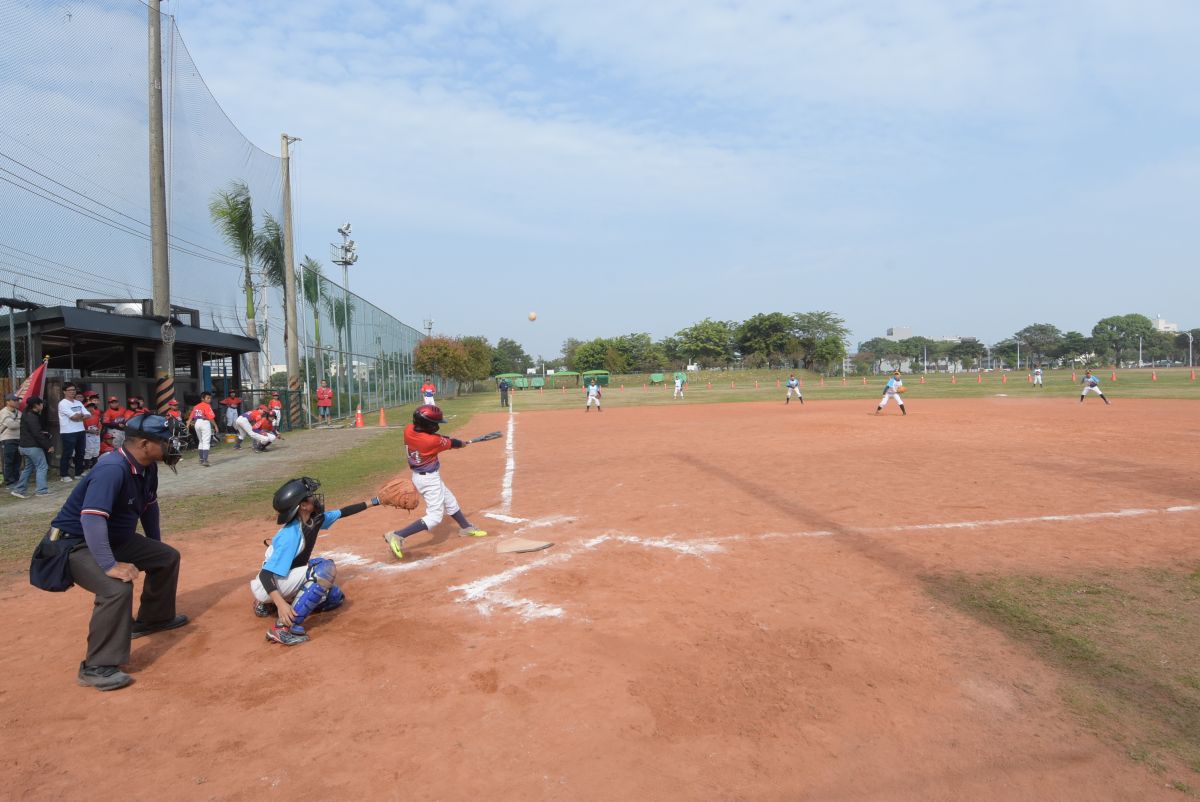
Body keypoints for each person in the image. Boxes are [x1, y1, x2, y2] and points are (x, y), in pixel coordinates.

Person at [48, 413, 189, 691]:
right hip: (74, 544)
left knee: (166, 556)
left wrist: (155, 545)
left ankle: (152, 619)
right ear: (145, 444)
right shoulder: (113, 468)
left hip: (114, 539)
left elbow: (149, 508)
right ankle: (96, 667)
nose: (174, 446)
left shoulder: (147, 467)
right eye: (167, 441)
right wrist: (108, 564)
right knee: (116, 587)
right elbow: (91, 518)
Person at [252, 477, 382, 645]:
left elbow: (344, 512)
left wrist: (376, 501)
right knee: (324, 570)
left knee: (334, 597)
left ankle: (270, 605)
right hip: (269, 585)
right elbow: (266, 574)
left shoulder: (314, 520)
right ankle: (282, 628)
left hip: (283, 580)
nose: (315, 498)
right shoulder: (290, 535)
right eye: (310, 496)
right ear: (303, 506)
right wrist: (281, 604)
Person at [382, 404, 487, 560]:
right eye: (435, 424)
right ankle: (397, 535)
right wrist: (462, 443)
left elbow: (443, 439)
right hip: (429, 480)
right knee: (435, 517)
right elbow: (450, 442)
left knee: (449, 501)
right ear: (428, 425)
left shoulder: (409, 429)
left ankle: (466, 527)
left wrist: (455, 442)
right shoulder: (432, 441)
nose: (437, 426)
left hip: (420, 476)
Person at [10, 396, 53, 498]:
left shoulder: (27, 413)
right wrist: (48, 445)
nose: (42, 405)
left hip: (24, 446)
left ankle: (19, 489)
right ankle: (41, 490)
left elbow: (34, 431)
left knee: (29, 468)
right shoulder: (32, 416)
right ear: (36, 405)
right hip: (32, 446)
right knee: (42, 467)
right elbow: (37, 433)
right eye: (41, 404)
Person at [56, 383, 87, 482]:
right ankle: (64, 475)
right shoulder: (63, 403)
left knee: (81, 452)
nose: (72, 392)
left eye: (73, 390)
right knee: (67, 453)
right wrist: (80, 416)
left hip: (80, 430)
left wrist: (79, 416)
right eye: (70, 390)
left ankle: (78, 473)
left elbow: (88, 414)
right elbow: (73, 417)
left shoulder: (78, 402)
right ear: (64, 391)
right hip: (68, 432)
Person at [189, 391, 217, 467]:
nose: (209, 399)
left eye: (210, 398)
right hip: (205, 423)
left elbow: (191, 416)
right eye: (207, 398)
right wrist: (215, 426)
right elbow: (211, 417)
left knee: (201, 441)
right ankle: (205, 460)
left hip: (197, 423)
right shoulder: (207, 406)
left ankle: (201, 459)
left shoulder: (196, 406)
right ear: (202, 398)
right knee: (206, 442)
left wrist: (188, 423)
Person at [1, 392, 21, 487]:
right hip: (7, 439)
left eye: (17, 400)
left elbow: (21, 424)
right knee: (9, 461)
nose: (17, 402)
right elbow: (12, 425)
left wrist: (16, 421)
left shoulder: (19, 412)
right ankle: (9, 481)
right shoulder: (3, 412)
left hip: (18, 438)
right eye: (14, 400)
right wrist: (19, 421)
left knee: (17, 460)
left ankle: (16, 479)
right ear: (8, 402)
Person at [82, 398, 102, 471]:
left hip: (96, 434)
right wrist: (88, 431)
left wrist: (99, 430)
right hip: (88, 435)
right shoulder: (83, 417)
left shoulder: (97, 414)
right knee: (89, 450)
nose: (91, 408)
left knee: (96, 450)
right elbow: (81, 429)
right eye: (89, 406)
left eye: (92, 406)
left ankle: (95, 467)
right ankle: (87, 467)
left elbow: (99, 424)